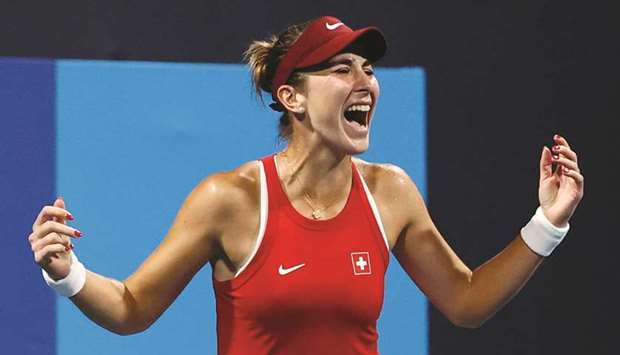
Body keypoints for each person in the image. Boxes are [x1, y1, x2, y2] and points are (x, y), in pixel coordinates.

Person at [27, 16, 584, 355]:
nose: (364, 81)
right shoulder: (231, 199)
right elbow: (131, 308)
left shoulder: (390, 192)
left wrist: (548, 223)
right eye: (341, 69)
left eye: (368, 69)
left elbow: (465, 301)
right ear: (292, 97)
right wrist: (65, 272)